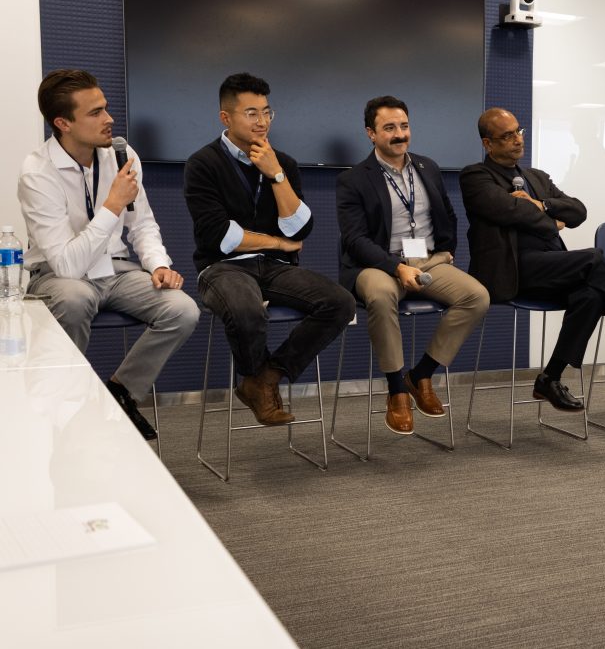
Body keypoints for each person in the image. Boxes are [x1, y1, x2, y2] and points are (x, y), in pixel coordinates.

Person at [459, 108, 605, 411]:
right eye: (507, 136)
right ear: (487, 143)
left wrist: (540, 204)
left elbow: (578, 212)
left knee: (592, 293)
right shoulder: (476, 177)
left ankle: (550, 377)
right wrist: (551, 220)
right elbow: (508, 211)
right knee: (593, 259)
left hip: (548, 265)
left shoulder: (536, 178)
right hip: (512, 270)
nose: (517, 140)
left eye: (519, 131)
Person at [17, 69, 200, 441]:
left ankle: (119, 393)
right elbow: (67, 265)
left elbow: (142, 223)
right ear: (62, 123)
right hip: (56, 276)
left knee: (182, 310)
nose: (109, 119)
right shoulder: (37, 173)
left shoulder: (122, 154)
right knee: (75, 297)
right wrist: (112, 205)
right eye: (96, 112)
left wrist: (158, 264)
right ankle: (66, 408)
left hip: (116, 270)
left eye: (106, 108)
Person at [184, 73, 355, 426]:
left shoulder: (284, 163)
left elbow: (301, 227)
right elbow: (220, 236)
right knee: (247, 309)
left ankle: (263, 379)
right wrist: (277, 242)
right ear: (226, 118)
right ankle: (257, 378)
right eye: (251, 113)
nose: (262, 122)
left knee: (340, 303)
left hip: (275, 268)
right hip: (222, 268)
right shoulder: (202, 163)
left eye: (266, 112)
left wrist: (276, 175)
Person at [337, 96, 489, 435]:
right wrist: (397, 268)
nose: (399, 134)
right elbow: (355, 240)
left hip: (428, 260)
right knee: (378, 295)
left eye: (404, 126)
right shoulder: (354, 180)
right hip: (376, 263)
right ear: (370, 134)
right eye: (389, 128)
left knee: (477, 296)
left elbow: (447, 216)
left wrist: (447, 250)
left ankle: (421, 375)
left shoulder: (427, 167)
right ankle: (396, 390)